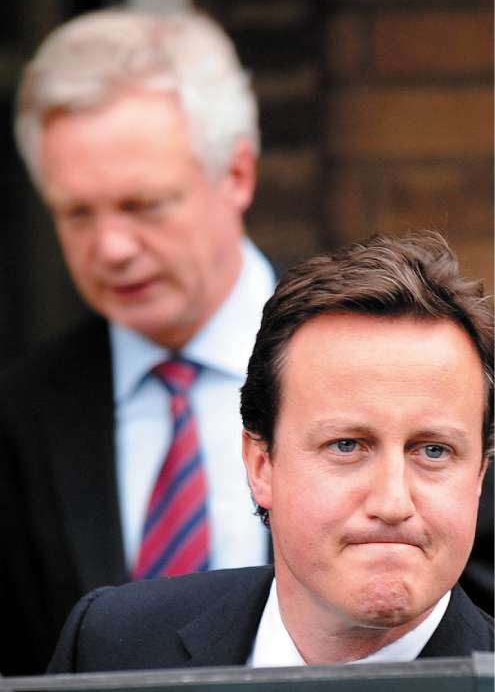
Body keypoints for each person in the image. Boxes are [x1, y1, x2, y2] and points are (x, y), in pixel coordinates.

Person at [47, 231, 493, 673]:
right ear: (261, 465)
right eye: (346, 445)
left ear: (478, 476)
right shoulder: (112, 646)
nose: (393, 503)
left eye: (433, 450)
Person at [0, 9, 276, 675]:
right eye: (78, 213)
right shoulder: (23, 412)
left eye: (142, 205)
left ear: (236, 175)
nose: (112, 249)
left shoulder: (380, 365)